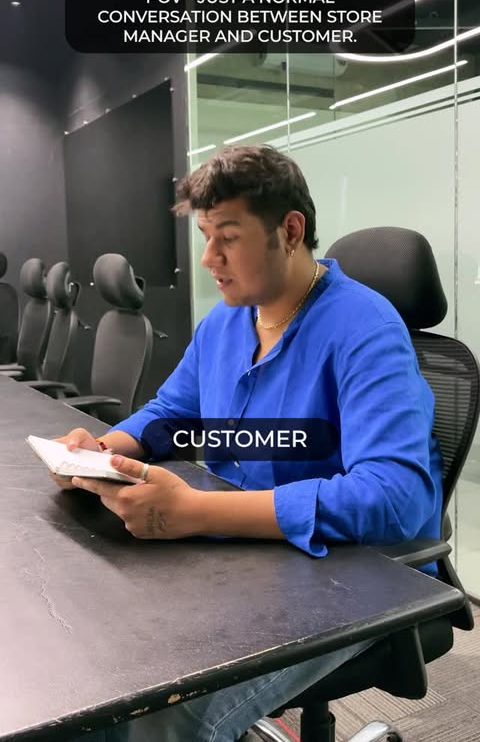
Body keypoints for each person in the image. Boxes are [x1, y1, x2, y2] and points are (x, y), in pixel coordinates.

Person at [57, 144, 442, 742]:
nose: (208, 257)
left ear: (290, 231)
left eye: (228, 238)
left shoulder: (366, 329)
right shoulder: (226, 321)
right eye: (205, 236)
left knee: (153, 711)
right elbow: (170, 413)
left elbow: (395, 498)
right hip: (240, 558)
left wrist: (195, 511)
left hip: (346, 574)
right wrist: (104, 450)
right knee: (96, 661)